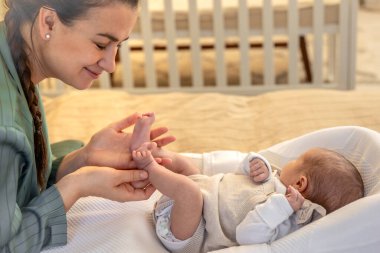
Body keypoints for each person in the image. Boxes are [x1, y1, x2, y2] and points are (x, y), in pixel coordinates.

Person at [0, 1, 176, 252]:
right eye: (101, 44)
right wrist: (77, 185)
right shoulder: (5, 125)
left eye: (118, 46)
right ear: (48, 22)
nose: (111, 64)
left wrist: (84, 158)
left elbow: (17, 185)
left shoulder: (14, 57)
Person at [130, 114, 364, 253]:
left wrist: (280, 207)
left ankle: (148, 167)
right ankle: (150, 150)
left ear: (301, 182)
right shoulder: (274, 180)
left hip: (190, 233)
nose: (287, 163)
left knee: (188, 191)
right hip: (204, 193)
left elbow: (247, 236)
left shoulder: (285, 218)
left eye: (296, 161)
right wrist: (254, 165)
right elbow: (237, 180)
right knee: (187, 168)